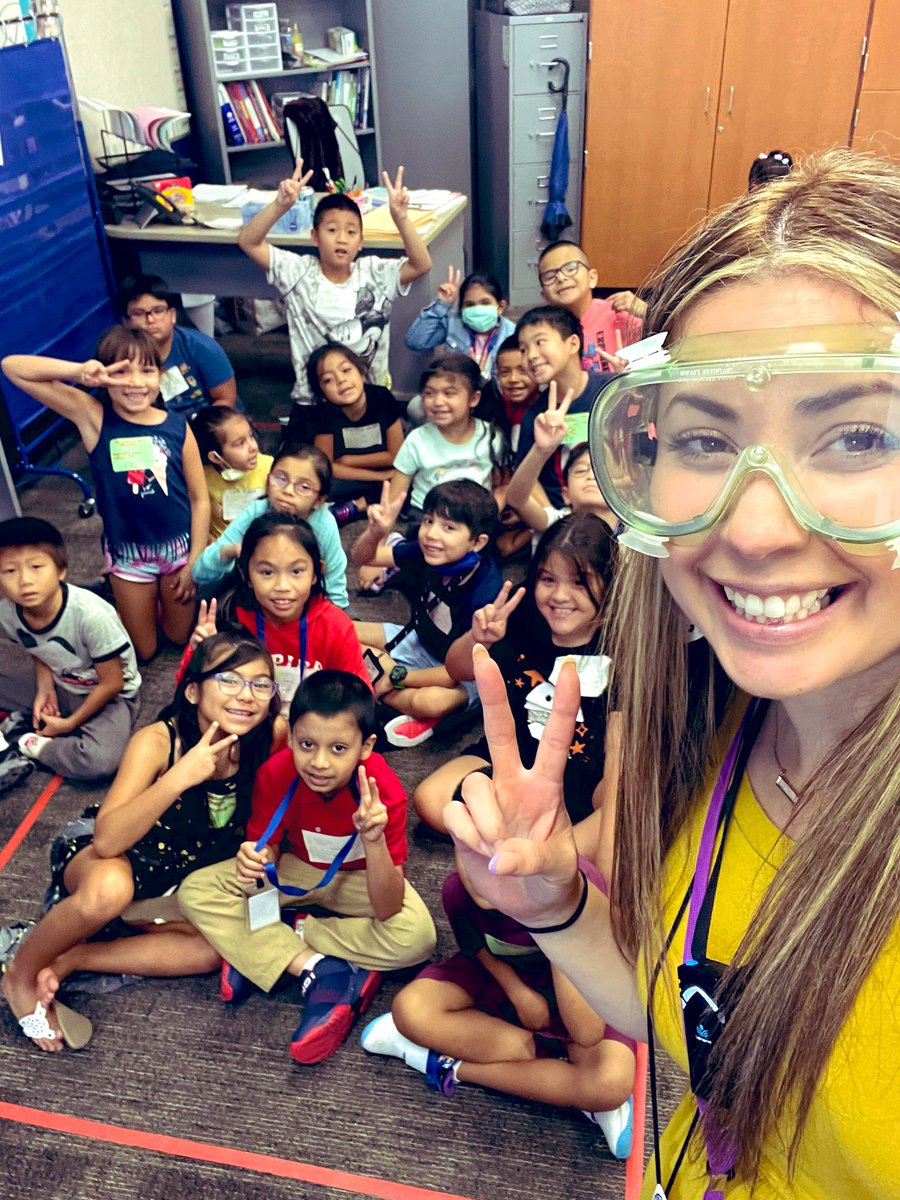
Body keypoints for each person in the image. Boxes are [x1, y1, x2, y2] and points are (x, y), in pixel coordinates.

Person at [443, 149, 900, 1198]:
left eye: (860, 434)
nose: (752, 527)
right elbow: (712, 1042)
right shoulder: (716, 735)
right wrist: (557, 908)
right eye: (705, 436)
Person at [2, 631, 282, 1051]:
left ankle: (71, 958)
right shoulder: (157, 742)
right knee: (109, 890)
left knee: (210, 952)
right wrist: (180, 777)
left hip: (180, 876)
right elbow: (108, 839)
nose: (246, 695)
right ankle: (20, 975)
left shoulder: (269, 736)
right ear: (192, 690)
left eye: (260, 684)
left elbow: (290, 792)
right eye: (228, 680)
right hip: (117, 856)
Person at [177, 670, 436, 1065]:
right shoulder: (277, 773)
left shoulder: (385, 792)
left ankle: (271, 940)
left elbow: (386, 906)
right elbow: (270, 852)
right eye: (307, 744)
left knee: (417, 937)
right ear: (292, 734)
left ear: (365, 747)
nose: (318, 762)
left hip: (359, 879)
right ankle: (322, 967)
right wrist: (257, 858)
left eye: (338, 749)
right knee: (197, 890)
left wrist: (374, 840)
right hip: (297, 869)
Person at [361, 860, 636, 1161]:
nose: (481, 873)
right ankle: (566, 1081)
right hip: (504, 989)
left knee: (611, 1084)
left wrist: (553, 920)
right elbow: (476, 949)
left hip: (579, 991)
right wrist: (517, 992)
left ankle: (449, 1066)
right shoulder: (458, 890)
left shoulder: (576, 885)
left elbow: (588, 1031)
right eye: (467, 850)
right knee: (410, 1009)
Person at [2, 328, 209, 662]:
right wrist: (78, 372)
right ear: (105, 376)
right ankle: (133, 596)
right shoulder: (93, 416)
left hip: (178, 551)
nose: (135, 382)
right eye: (121, 371)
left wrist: (195, 559)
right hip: (128, 555)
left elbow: (200, 499)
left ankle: (154, 600)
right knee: (145, 650)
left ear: (160, 374)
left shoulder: (177, 425)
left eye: (146, 370)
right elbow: (13, 367)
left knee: (178, 636)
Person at [413, 512, 616, 835]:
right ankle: (529, 841)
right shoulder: (520, 611)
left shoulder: (625, 643)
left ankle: (527, 844)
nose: (559, 596)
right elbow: (456, 669)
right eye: (548, 579)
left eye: (579, 581)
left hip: (583, 777)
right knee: (430, 800)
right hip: (511, 757)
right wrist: (478, 638)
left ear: (609, 581)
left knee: (615, 820)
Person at [237, 159, 431, 427]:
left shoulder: (374, 273)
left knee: (389, 461)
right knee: (305, 466)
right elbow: (248, 241)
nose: (342, 238)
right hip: (313, 400)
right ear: (314, 236)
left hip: (370, 393)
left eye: (351, 232)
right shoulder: (298, 271)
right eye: (331, 230)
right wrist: (281, 205)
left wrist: (401, 217)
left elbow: (421, 264)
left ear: (360, 243)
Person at [352, 479, 502, 748]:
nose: (432, 534)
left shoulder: (485, 593)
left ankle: (374, 677)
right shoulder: (428, 551)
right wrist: (376, 533)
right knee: (341, 629)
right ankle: (380, 677)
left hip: (458, 673)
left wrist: (397, 675)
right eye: (428, 521)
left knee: (429, 703)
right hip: (417, 639)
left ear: (477, 542)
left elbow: (453, 673)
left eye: (448, 528)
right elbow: (364, 558)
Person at [0, 518, 141, 790]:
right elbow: (37, 646)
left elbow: (113, 683)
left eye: (37, 567)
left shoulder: (91, 615)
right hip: (60, 680)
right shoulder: (8, 612)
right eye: (9, 571)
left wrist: (68, 725)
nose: (25, 580)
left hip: (108, 695)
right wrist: (45, 688)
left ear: (61, 570)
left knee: (101, 761)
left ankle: (29, 743)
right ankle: (29, 719)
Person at [189, 513, 369, 715]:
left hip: (313, 734)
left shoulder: (335, 626)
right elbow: (190, 695)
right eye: (267, 572)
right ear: (245, 575)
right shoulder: (232, 619)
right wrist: (197, 653)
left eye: (296, 571)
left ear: (317, 573)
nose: (282, 586)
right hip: (248, 727)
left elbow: (361, 697)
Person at [192, 442, 349, 609]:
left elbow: (336, 589)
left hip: (305, 604)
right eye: (280, 479)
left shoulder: (324, 524)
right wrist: (231, 550)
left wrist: (331, 626)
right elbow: (199, 571)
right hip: (256, 601)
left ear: (319, 500)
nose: (288, 490)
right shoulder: (256, 512)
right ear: (268, 482)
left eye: (304, 487)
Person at [386, 353, 506, 522]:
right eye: (429, 393)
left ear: (473, 398)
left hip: (475, 518)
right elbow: (393, 498)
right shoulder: (417, 440)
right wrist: (379, 541)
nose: (438, 402)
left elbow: (503, 485)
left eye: (449, 393)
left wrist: (490, 512)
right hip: (427, 517)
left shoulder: (491, 437)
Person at [515, 306, 614, 509]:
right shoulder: (534, 415)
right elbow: (527, 479)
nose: (531, 355)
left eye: (539, 342)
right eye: (523, 349)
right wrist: (555, 517)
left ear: (573, 343)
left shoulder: (612, 389)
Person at [306, 342, 404, 524]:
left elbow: (396, 455)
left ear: (362, 373)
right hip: (350, 476)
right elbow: (327, 467)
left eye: (346, 370)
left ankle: (357, 506)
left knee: (411, 479)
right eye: (328, 379)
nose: (340, 381)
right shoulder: (323, 413)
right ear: (322, 393)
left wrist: (348, 460)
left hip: (382, 468)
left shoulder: (381, 398)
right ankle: (368, 502)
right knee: (318, 485)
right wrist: (380, 477)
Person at [404, 268, 516, 423]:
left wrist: (483, 381)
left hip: (493, 400)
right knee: (414, 408)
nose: (477, 309)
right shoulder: (454, 323)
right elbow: (415, 341)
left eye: (485, 303)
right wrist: (442, 304)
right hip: (453, 392)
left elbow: (513, 383)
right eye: (469, 305)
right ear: (462, 309)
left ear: (500, 306)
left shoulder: (512, 334)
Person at [504, 385, 615, 539]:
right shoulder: (558, 523)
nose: (591, 476)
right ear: (565, 494)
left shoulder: (634, 529)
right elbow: (516, 500)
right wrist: (541, 450)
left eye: (601, 471)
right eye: (581, 470)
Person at [118, 274, 237, 415]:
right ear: (125, 322)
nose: (150, 319)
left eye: (158, 311)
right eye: (138, 313)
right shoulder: (118, 355)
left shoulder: (202, 348)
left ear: (172, 315)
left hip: (206, 423)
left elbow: (226, 399)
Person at [537, 241, 643, 370]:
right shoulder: (544, 333)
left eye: (570, 268)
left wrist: (648, 312)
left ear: (592, 278)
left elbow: (669, 343)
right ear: (544, 296)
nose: (561, 278)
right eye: (549, 276)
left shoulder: (618, 313)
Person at [191, 407, 273, 541]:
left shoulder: (270, 468)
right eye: (240, 443)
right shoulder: (201, 478)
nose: (253, 447)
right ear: (216, 457)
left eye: (251, 436)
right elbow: (196, 521)